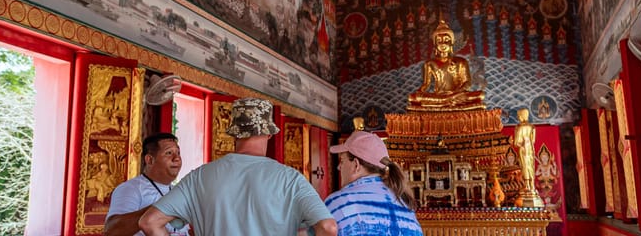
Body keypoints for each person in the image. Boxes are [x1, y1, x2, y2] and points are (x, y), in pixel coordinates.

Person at [139, 98, 337, 236]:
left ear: (234, 134)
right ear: (269, 134)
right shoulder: (291, 179)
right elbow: (328, 227)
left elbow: (149, 222)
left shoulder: (199, 177)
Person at [325, 131, 423, 236]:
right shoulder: (405, 206)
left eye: (342, 161)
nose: (339, 167)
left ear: (356, 165)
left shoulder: (338, 203)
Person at [104, 133, 189, 236]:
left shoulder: (178, 191)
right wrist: (161, 208)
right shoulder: (131, 189)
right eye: (169, 153)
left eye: (178, 153)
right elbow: (112, 231)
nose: (177, 158)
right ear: (150, 160)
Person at [407, 19, 485, 111]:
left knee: (480, 95)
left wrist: (455, 93)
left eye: (446, 40)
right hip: (438, 97)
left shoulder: (461, 62)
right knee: (413, 98)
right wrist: (419, 91)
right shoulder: (429, 63)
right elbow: (426, 84)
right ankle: (447, 103)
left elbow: (467, 83)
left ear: (451, 43)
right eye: (439, 41)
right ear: (435, 44)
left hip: (457, 95)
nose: (443, 44)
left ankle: (443, 104)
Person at [513, 109, 536, 192]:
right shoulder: (532, 127)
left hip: (523, 149)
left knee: (524, 166)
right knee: (531, 165)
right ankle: (532, 184)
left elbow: (516, 143)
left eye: (519, 116)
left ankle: (527, 185)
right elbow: (533, 140)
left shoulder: (519, 127)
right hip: (530, 149)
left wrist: (522, 144)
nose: (518, 118)